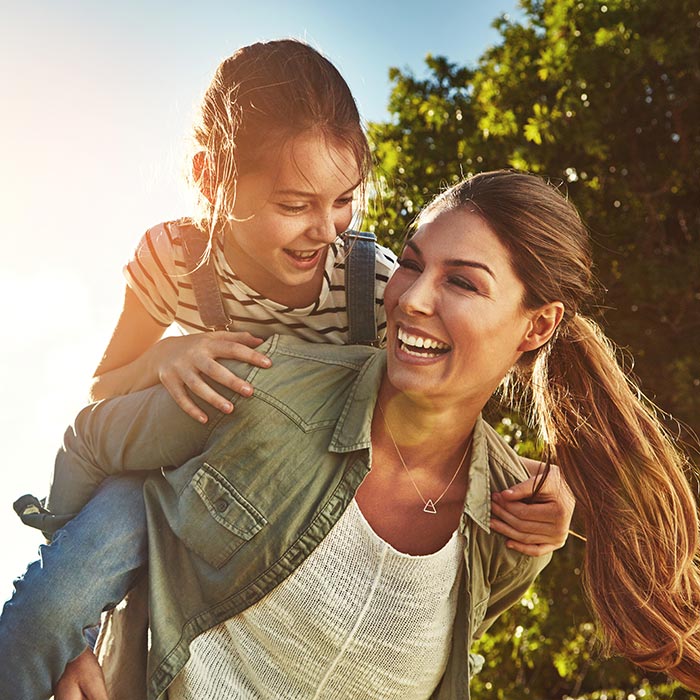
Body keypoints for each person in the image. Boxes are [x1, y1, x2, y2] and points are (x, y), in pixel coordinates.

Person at [12, 170, 700, 700]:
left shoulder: (513, 525)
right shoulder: (264, 383)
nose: (411, 298)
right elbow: (91, 438)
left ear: (538, 325)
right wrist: (66, 619)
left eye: (461, 282)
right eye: (410, 262)